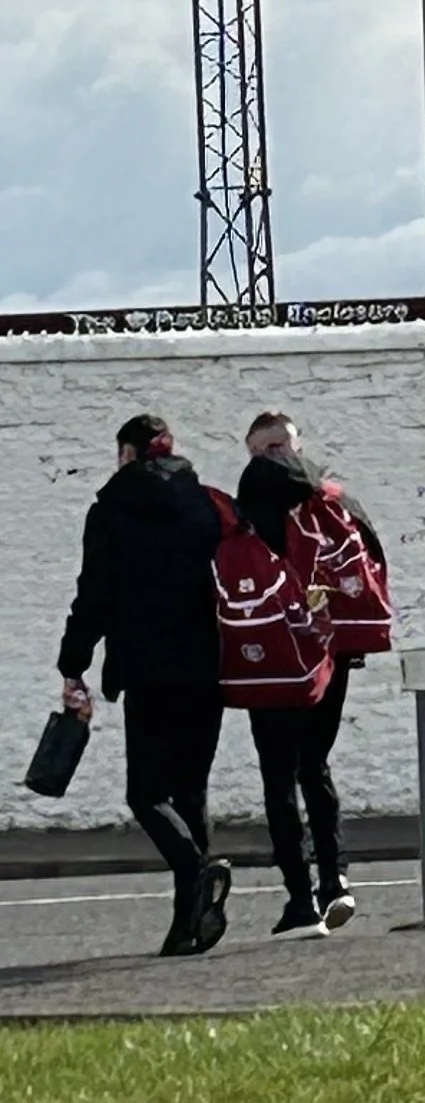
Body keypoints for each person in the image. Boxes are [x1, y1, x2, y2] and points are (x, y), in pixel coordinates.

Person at [57, 414, 232, 958]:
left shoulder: (111, 512)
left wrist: (73, 663)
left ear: (128, 454)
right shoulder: (206, 504)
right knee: (191, 789)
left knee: (147, 793)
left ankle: (197, 871)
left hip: (149, 668)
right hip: (209, 664)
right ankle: (189, 925)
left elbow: (95, 594)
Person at [237, 411, 389, 938]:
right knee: (315, 765)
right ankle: (336, 880)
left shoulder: (251, 502)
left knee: (279, 777)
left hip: (275, 660)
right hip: (331, 653)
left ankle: (300, 902)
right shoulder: (336, 502)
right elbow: (373, 563)